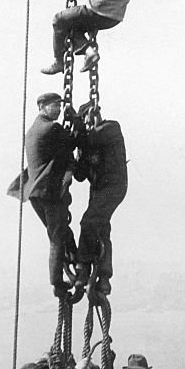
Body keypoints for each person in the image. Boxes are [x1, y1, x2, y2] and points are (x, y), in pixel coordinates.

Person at [9, 92, 77, 296]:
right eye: (55, 105)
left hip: (34, 192)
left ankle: (76, 262)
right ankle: (57, 283)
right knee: (57, 236)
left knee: (59, 230)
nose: (58, 109)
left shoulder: (31, 131)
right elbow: (73, 141)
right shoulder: (51, 128)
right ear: (43, 107)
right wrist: (76, 120)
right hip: (48, 193)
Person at [73, 104, 128, 297]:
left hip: (113, 188)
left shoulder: (111, 128)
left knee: (88, 223)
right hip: (98, 190)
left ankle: (83, 268)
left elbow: (94, 138)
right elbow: (80, 175)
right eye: (86, 119)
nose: (89, 121)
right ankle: (103, 278)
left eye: (89, 117)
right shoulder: (88, 141)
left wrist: (79, 133)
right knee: (101, 228)